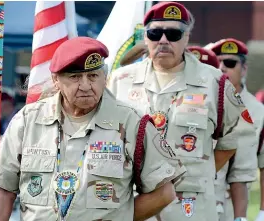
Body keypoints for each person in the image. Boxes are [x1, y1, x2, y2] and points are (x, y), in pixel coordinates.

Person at [0, 37, 186, 221]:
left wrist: (120, 217)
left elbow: (164, 193)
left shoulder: (132, 122)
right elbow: (3, 188)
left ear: (105, 77)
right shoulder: (28, 121)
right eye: (75, 77)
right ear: (56, 80)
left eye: (93, 76)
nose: (86, 86)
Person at [107, 2, 254, 220]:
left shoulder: (214, 82)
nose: (163, 40)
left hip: (191, 205)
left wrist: (201, 170)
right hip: (137, 203)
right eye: (155, 33)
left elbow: (233, 138)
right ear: (146, 38)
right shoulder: (121, 80)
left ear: (186, 38)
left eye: (174, 34)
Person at [188, 45, 259, 221]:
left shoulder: (242, 111)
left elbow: (240, 172)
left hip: (215, 204)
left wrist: (241, 218)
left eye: (229, 63)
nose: (222, 68)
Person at [210, 38, 264, 221]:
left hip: (234, 204)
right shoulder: (202, 102)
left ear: (244, 69)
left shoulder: (258, 110)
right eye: (217, 62)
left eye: (230, 63)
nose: (222, 67)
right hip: (200, 199)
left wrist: (263, 212)